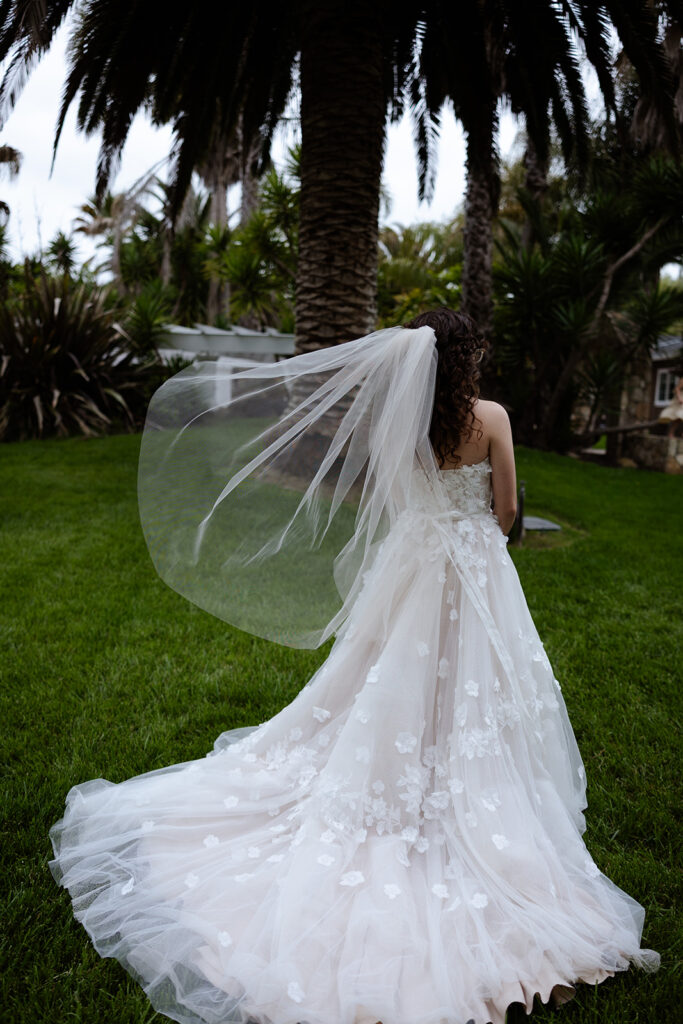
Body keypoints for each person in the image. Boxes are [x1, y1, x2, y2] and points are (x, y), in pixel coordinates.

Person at [49, 308, 659, 1024]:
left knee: (386, 675)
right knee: (474, 682)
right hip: (474, 569)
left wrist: (429, 530)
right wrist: (474, 541)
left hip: (415, 564)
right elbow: (507, 510)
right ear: (466, 361)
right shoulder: (490, 416)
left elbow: (394, 502)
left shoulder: (396, 427)